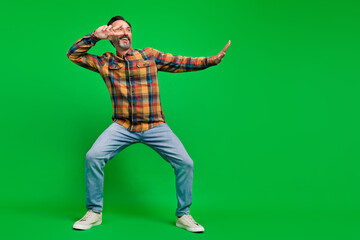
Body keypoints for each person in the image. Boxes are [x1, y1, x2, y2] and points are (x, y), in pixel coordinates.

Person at [66, 16, 230, 233]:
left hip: (155, 126)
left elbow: (180, 62)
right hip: (123, 127)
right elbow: (73, 55)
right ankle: (94, 213)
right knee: (93, 157)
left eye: (128, 29)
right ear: (110, 35)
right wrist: (94, 37)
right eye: (118, 29)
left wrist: (210, 60)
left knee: (185, 163)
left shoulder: (149, 56)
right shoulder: (105, 62)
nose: (125, 32)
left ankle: (184, 215)